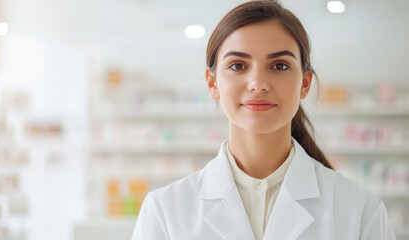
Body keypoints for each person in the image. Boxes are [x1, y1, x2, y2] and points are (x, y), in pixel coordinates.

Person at [131, 1, 395, 239]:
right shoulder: (165, 211)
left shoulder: (360, 210)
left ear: (304, 83)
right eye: (238, 65)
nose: (258, 84)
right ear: (212, 83)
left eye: (279, 66)